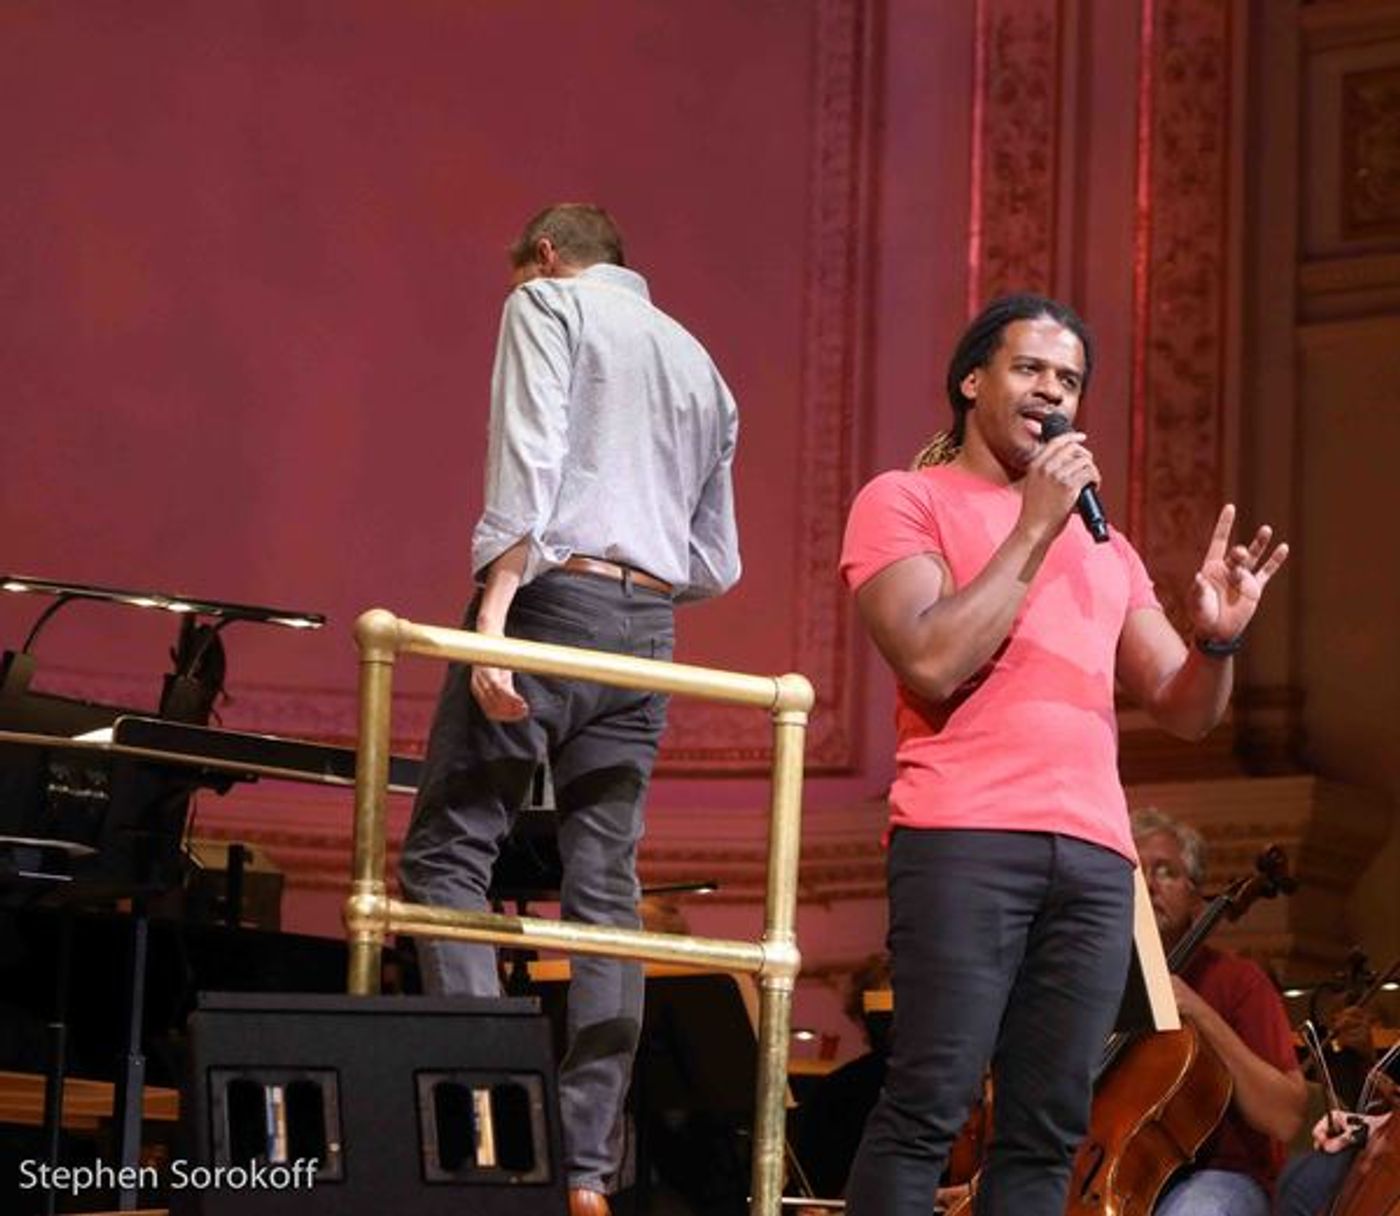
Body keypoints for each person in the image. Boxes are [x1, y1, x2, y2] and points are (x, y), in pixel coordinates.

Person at [837, 292, 1290, 1216]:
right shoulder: (906, 500)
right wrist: (1034, 525)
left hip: (1092, 858)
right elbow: (931, 657)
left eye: (1070, 379)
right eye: (1030, 369)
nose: (1053, 391)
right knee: (930, 1103)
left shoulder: (1105, 545)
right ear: (973, 381)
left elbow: (1184, 710)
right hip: (965, 837)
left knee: (1048, 1128)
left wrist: (1218, 643)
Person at [398, 203, 741, 1216]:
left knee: (448, 855)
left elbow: (529, 455)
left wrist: (496, 613)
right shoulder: (697, 359)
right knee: (606, 893)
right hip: (649, 629)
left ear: (545, 256)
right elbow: (714, 556)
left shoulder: (547, 305)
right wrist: (637, 597)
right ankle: (587, 1169)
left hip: (549, 601)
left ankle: (491, 1135)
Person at [1133, 808, 1307, 1214]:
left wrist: (1197, 1010)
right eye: (1135, 873)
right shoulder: (1099, 985)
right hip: (1124, 1176)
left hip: (1219, 1177)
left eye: (1166, 872)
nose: (1148, 885)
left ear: (1195, 895)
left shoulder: (1239, 981)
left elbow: (1284, 1118)